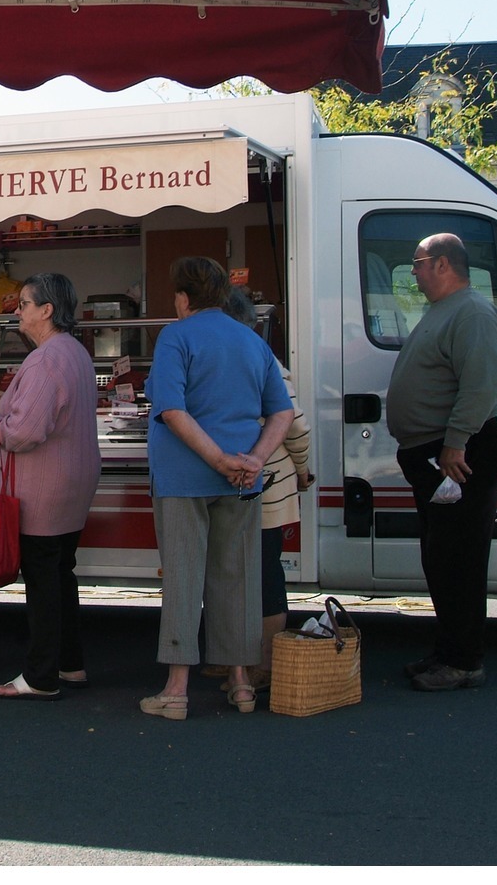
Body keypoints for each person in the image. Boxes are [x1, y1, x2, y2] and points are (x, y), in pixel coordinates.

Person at [140, 257, 294, 721]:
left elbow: (171, 409)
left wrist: (214, 459)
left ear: (183, 298)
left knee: (184, 579)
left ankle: (177, 690)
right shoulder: (251, 340)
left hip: (185, 477)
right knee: (238, 577)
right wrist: (253, 459)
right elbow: (281, 413)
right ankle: (242, 683)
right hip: (244, 479)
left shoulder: (176, 336)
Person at [387, 232, 497, 692]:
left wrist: (455, 444)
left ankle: (463, 661)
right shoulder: (446, 311)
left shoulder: (472, 313)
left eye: (417, 264)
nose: (413, 273)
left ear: (441, 264)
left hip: (458, 453)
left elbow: (480, 386)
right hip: (437, 452)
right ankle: (448, 650)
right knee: (441, 557)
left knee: (458, 558)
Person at [0, 272, 101, 701]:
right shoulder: (75, 353)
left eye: (24, 304)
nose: (17, 310)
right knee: (61, 576)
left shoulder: (47, 360)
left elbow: (26, 431)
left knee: (44, 583)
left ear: (46, 311)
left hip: (45, 487)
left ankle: (41, 675)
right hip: (73, 482)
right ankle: (70, 664)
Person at [222, 288, 313, 693]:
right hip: (265, 482)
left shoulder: (252, 361)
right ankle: (247, 661)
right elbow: (297, 428)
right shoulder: (261, 358)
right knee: (256, 574)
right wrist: (304, 468)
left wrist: (301, 467)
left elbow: (291, 421)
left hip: (252, 484)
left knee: (253, 575)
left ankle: (261, 663)